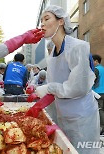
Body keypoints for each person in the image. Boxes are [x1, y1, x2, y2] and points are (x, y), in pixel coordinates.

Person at [31, 5, 99, 154]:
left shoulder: (77, 47)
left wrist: (49, 88)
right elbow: (56, 86)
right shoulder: (52, 55)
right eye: (41, 20)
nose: (42, 24)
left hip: (82, 117)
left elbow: (78, 87)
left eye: (47, 18)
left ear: (61, 21)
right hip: (63, 115)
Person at [92, 54, 104, 134]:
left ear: (96, 61)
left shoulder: (96, 69)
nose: (91, 63)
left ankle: (101, 127)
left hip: (98, 92)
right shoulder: (103, 68)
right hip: (103, 92)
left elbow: (92, 81)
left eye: (92, 61)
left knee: (99, 110)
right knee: (102, 109)